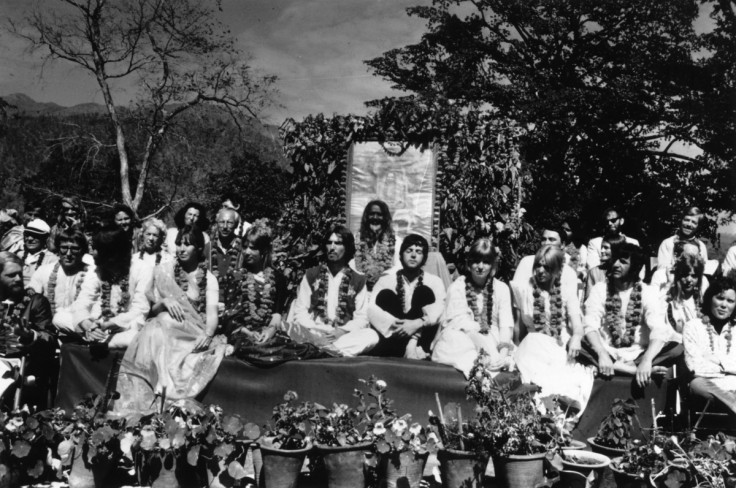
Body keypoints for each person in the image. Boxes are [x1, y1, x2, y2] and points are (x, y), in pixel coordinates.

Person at [115, 225, 229, 414]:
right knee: (158, 325)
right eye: (178, 244)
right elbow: (152, 310)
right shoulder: (163, 271)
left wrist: (209, 334)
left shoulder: (208, 279)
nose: (181, 249)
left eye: (187, 245)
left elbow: (211, 315)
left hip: (193, 333)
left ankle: (169, 397)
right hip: (163, 330)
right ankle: (150, 397)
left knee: (161, 327)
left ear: (199, 249)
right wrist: (165, 302)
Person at [583, 243, 682, 387]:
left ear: (635, 267)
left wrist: (646, 360)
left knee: (677, 347)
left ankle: (624, 367)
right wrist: (602, 354)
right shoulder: (600, 289)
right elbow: (590, 324)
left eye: (623, 262)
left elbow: (659, 329)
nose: (616, 264)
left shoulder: (647, 292)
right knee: (576, 342)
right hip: (607, 351)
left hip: (638, 354)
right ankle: (632, 371)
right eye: (615, 259)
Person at [511, 246, 595, 413]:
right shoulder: (525, 290)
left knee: (561, 382)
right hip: (533, 346)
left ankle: (554, 413)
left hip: (557, 346)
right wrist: (513, 349)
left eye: (547, 267)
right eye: (538, 266)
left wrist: (576, 338)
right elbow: (518, 329)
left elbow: (577, 326)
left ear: (557, 270)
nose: (540, 271)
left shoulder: (566, 292)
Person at [288, 225, 379, 356]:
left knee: (371, 335)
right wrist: (316, 331)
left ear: (347, 247)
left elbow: (362, 318)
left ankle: (325, 352)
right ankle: (329, 351)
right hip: (314, 332)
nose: (332, 247)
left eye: (338, 243)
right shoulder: (311, 275)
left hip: (342, 335)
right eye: (329, 243)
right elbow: (300, 312)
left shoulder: (358, 280)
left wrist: (341, 331)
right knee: (292, 329)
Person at [431, 238, 514, 377]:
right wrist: (480, 345)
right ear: (469, 264)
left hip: (493, 339)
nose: (480, 266)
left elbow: (506, 324)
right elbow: (457, 322)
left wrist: (503, 353)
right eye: (476, 261)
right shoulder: (458, 286)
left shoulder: (501, 288)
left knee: (496, 360)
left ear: (493, 265)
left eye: (486, 262)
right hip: (462, 337)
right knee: (454, 339)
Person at [72, 228, 153, 348]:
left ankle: (99, 340)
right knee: (60, 318)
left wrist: (108, 324)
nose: (92, 252)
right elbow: (82, 301)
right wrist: (88, 325)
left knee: (133, 338)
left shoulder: (142, 269)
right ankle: (99, 338)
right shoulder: (97, 269)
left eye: (96, 249)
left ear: (110, 253)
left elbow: (140, 310)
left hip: (125, 327)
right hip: (96, 323)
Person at [368, 233, 446, 358]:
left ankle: (411, 345)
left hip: (419, 344)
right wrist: (399, 326)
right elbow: (371, 309)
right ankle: (401, 348)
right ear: (400, 255)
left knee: (424, 292)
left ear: (424, 258)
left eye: (419, 252)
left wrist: (418, 323)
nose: (413, 255)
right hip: (392, 338)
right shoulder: (385, 280)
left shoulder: (434, 281)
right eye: (409, 250)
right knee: (385, 295)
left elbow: (441, 308)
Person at [0, 252, 56, 408]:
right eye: (11, 275)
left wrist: (29, 335)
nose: (18, 279)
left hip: (25, 371)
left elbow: (50, 340)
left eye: (20, 274)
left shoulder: (36, 301)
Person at [223, 220, 287, 343]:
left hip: (269, 334)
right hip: (241, 335)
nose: (247, 252)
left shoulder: (278, 278)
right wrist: (249, 333)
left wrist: (269, 332)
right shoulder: (236, 276)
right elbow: (230, 317)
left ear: (263, 251)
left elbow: (277, 314)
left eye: (252, 248)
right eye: (245, 247)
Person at [683, 274, 736, 414]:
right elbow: (694, 367)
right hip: (709, 387)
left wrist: (719, 362)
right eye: (719, 298)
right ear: (710, 299)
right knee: (696, 384)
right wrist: (730, 369)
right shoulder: (693, 327)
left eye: (730, 301)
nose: (724, 305)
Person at [29, 229, 94, 338]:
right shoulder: (44, 271)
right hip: (49, 333)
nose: (68, 254)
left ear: (82, 251)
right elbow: (32, 295)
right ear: (58, 249)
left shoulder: (92, 272)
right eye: (64, 248)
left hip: (82, 329)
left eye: (75, 249)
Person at [512, 224, 578, 297]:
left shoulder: (568, 268)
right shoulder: (527, 262)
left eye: (551, 239)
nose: (546, 243)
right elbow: (516, 294)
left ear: (562, 244)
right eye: (543, 239)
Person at [353, 200, 397, 290]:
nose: (375, 218)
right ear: (366, 217)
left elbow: (398, 267)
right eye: (372, 214)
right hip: (361, 288)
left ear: (385, 217)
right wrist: (363, 276)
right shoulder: (356, 239)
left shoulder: (395, 240)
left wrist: (381, 275)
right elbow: (351, 263)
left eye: (379, 214)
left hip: (385, 288)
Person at [662, 254, 706, 343]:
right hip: (677, 344)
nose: (689, 279)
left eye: (694, 276)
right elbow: (667, 331)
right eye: (685, 275)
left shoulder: (701, 301)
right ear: (678, 276)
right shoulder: (668, 300)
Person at [657, 206, 709, 271]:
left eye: (694, 222)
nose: (689, 224)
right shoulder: (668, 243)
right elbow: (662, 270)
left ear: (698, 226)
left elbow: (704, 270)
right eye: (686, 220)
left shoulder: (701, 246)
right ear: (681, 221)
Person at [209, 208, 243, 302]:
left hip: (235, 302)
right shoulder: (208, 248)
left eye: (229, 223)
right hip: (211, 301)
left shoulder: (243, 249)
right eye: (221, 222)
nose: (224, 226)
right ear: (216, 224)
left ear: (236, 225)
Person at [17, 219, 58, 288]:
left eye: (35, 236)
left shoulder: (52, 259)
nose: (30, 239)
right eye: (27, 235)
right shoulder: (18, 255)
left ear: (44, 238)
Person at [585, 234, 625, 299]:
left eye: (606, 248)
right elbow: (588, 300)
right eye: (602, 247)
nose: (602, 251)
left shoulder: (625, 271)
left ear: (615, 250)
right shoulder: (594, 272)